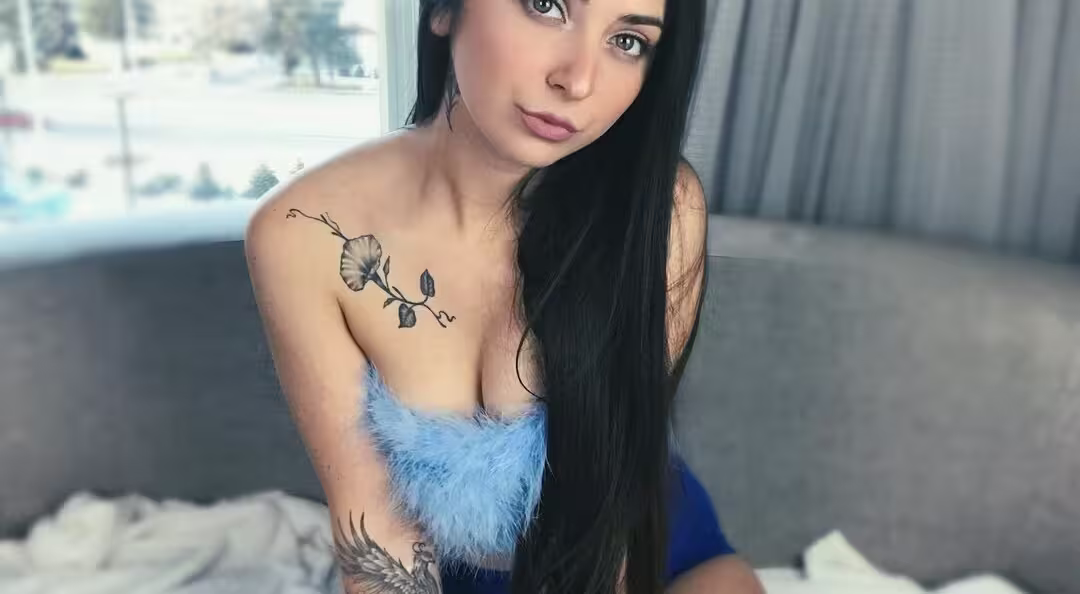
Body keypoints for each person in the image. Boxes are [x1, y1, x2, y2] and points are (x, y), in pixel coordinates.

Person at [245, 0, 766, 592]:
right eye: (547, 5)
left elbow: (618, 489)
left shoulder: (660, 209)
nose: (578, 81)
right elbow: (377, 532)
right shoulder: (303, 233)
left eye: (627, 41)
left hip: (635, 544)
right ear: (444, 11)